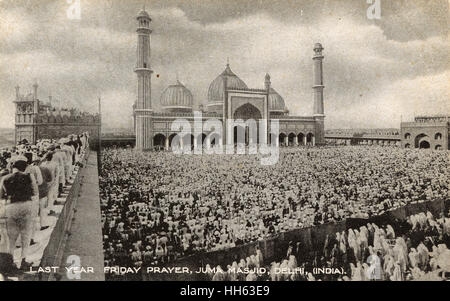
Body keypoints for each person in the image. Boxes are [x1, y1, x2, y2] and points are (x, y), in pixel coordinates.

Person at [0, 155, 38, 270]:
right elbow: (35, 192)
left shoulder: (5, 178)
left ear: (13, 166)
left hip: (11, 206)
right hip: (26, 205)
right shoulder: (28, 176)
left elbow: (1, 195)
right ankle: (23, 261)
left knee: (11, 237)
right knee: (25, 235)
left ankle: (10, 262)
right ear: (24, 167)